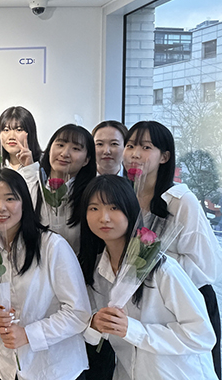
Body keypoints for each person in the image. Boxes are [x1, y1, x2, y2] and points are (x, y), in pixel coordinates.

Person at [79, 175, 218, 380]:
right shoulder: (96, 272)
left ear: (130, 210)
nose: (104, 217)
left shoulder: (162, 268)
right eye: (94, 208)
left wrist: (133, 330)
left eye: (114, 207)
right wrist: (95, 324)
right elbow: (97, 334)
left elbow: (202, 335)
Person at [122, 120, 222, 377]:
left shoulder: (180, 200)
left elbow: (205, 267)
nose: (135, 154)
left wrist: (148, 259)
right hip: (145, 306)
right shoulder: (124, 198)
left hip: (188, 305)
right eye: (130, 146)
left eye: (146, 147)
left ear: (164, 157)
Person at [0, 169, 91, 380]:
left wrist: (29, 335)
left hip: (52, 367)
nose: (0, 207)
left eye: (10, 198)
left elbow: (78, 313)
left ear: (24, 203)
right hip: (5, 362)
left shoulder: (52, 246)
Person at [17, 124, 96, 254]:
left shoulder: (92, 195)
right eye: (60, 145)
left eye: (76, 148)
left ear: (86, 160)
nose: (64, 154)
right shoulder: (32, 187)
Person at [0, 106, 42, 172]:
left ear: (30, 132)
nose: (11, 137)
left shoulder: (45, 163)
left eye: (19, 130)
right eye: (6, 130)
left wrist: (30, 167)